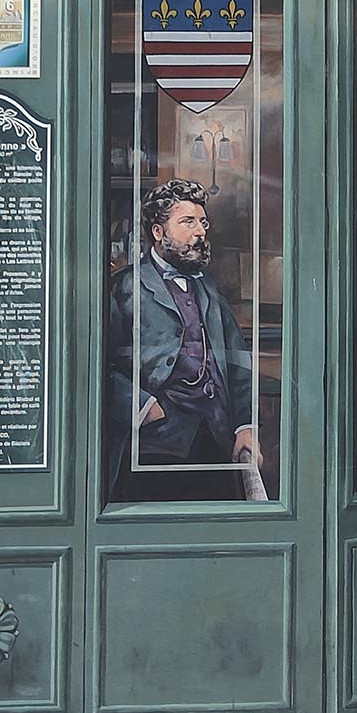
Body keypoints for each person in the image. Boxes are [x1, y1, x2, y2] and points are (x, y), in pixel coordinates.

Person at [106, 178, 260, 501]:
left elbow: (239, 360)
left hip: (216, 443)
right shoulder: (124, 289)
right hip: (153, 449)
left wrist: (245, 426)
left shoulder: (210, 290)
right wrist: (143, 408)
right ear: (158, 232)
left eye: (202, 222)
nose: (200, 231)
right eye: (188, 222)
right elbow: (94, 366)